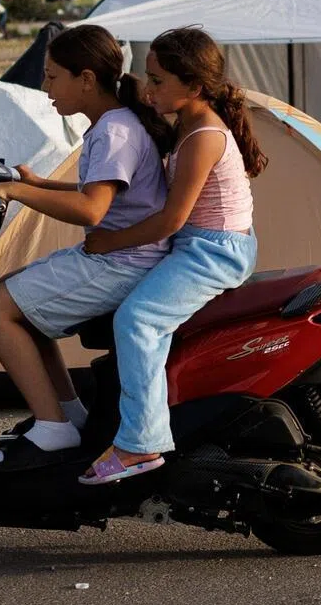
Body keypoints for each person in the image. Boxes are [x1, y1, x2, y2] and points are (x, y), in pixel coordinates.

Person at [0, 24, 171, 467]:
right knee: (12, 291)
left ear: (85, 79)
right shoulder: (115, 123)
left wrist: (19, 193)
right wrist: (41, 184)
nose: (45, 88)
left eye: (51, 76)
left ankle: (52, 427)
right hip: (118, 257)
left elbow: (91, 210)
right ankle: (67, 414)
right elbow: (101, 191)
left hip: (121, 263)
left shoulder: (114, 131)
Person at [78, 28, 267, 486]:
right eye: (147, 76)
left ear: (196, 87)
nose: (148, 89)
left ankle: (142, 443)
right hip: (197, 245)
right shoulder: (186, 122)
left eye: (159, 80)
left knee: (137, 320)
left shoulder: (204, 136)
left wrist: (109, 241)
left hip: (213, 252)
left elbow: (170, 221)